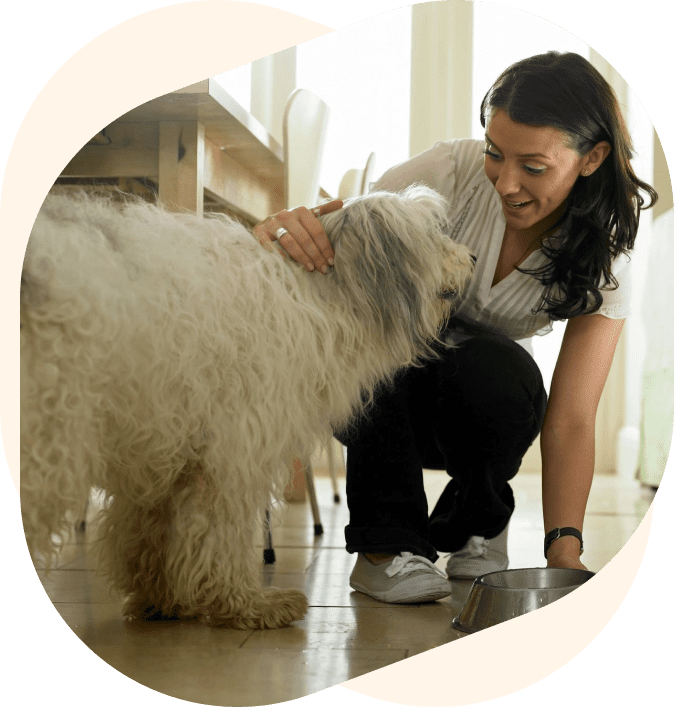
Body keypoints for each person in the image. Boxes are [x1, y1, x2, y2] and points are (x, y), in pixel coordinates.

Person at [253, 51, 658, 604]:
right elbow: (340, 228)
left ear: (592, 159)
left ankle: (477, 522)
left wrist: (564, 549)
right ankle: (384, 548)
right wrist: (284, 228)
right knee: (387, 339)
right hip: (381, 405)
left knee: (508, 376)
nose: (507, 183)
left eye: (533, 167)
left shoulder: (605, 256)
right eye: (496, 154)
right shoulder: (449, 171)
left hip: (471, 410)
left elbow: (571, 419)